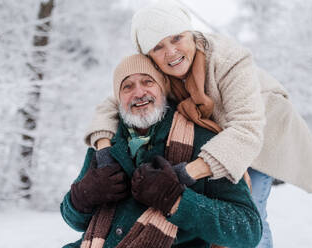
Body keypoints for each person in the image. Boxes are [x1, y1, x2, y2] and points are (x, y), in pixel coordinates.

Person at [84, 1, 312, 247]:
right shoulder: (157, 69)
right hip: (218, 139)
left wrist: (184, 174)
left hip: (261, 137)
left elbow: (246, 130)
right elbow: (114, 102)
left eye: (177, 37)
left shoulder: (229, 59)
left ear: (191, 34)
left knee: (251, 213)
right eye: (158, 46)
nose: (171, 52)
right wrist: (103, 151)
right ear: (149, 55)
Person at [60, 54, 262, 248]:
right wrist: (82, 197)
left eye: (148, 82)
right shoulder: (105, 146)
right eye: (127, 86)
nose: (139, 93)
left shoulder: (203, 142)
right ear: (118, 98)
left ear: (163, 88)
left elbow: (248, 230)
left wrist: (176, 200)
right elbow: (73, 220)